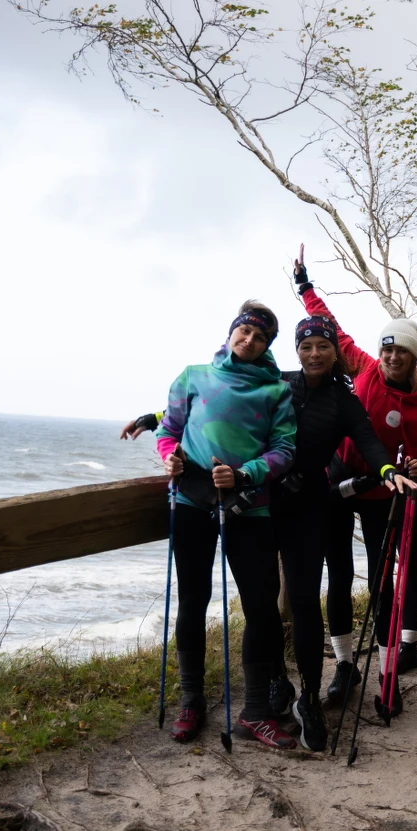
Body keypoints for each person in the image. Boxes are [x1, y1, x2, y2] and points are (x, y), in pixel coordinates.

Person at [269, 310, 417, 750]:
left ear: (336, 353)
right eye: (307, 346)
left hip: (314, 503)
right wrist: (163, 417)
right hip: (267, 502)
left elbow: (369, 441)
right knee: (263, 601)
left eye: (323, 346)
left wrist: (389, 468)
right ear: (297, 350)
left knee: (304, 600)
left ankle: (311, 697)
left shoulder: (344, 399)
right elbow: (226, 403)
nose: (315, 353)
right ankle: (278, 682)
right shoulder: (278, 385)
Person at [154, 302, 297, 747]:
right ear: (232, 332)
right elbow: (167, 430)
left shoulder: (276, 391)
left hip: (249, 504)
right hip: (192, 499)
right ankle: (191, 701)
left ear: (267, 346)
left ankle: (255, 712)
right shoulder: (194, 376)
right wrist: (169, 458)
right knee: (193, 600)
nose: (249, 341)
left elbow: (284, 450)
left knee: (259, 606)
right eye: (244, 332)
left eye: (259, 338)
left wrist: (245, 473)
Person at [296, 254, 417, 713]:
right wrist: (305, 286)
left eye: (401, 352)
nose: (392, 357)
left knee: (381, 583)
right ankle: (343, 665)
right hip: (337, 481)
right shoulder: (364, 366)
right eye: (388, 349)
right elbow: (328, 325)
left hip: (381, 493)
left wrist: (415, 468)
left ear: (414, 356)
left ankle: (388, 673)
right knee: (337, 577)